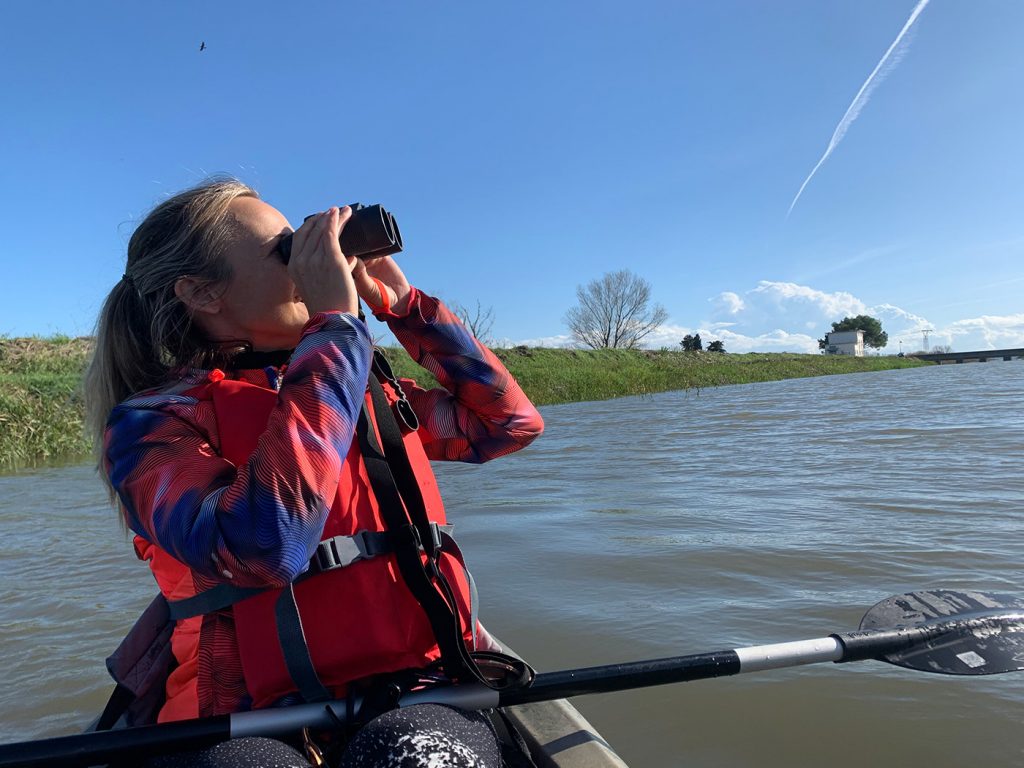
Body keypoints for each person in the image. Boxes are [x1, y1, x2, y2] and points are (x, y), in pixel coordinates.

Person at [84, 179, 544, 767]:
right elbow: (265, 546)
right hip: (245, 719)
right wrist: (336, 328)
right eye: (288, 249)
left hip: (411, 687)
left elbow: (507, 424)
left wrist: (402, 307)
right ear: (201, 292)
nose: (313, 259)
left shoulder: (354, 390)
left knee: (418, 757)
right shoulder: (151, 428)